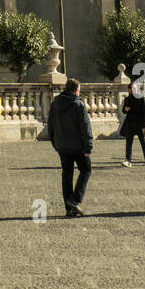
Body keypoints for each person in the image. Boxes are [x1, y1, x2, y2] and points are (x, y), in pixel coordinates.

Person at [47, 78, 93, 217]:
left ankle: (68, 207)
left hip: (62, 146)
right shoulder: (78, 104)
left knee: (67, 175)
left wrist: (55, 144)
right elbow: (85, 127)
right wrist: (88, 147)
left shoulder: (55, 103)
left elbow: (50, 126)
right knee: (86, 169)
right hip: (78, 146)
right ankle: (75, 199)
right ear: (76, 90)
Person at [120, 83, 145, 166]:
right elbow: (123, 110)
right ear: (129, 89)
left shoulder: (140, 98)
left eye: (136, 88)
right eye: (133, 88)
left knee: (143, 141)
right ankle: (128, 160)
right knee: (128, 143)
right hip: (130, 123)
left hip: (139, 123)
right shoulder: (127, 99)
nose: (135, 89)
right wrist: (125, 109)